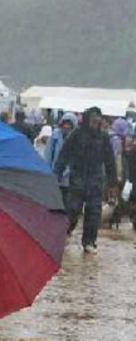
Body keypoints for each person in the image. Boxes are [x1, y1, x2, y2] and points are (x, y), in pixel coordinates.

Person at [54, 106, 117, 254]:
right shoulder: (76, 135)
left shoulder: (103, 137)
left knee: (94, 213)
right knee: (72, 210)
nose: (96, 123)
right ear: (87, 120)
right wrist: (56, 174)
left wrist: (112, 183)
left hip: (95, 180)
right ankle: (65, 233)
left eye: (98, 121)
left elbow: (110, 162)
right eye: (93, 120)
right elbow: (63, 156)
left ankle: (89, 242)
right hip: (77, 179)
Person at [44, 112, 78, 206]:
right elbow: (48, 155)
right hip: (56, 176)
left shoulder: (77, 139)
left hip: (70, 179)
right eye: (65, 124)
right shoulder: (54, 137)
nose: (66, 126)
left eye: (69, 124)